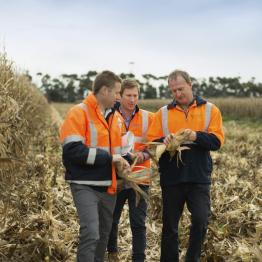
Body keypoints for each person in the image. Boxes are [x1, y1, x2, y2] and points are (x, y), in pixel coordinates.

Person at [147, 70, 225, 262]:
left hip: (199, 177)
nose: (177, 94)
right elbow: (151, 144)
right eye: (173, 91)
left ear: (190, 85)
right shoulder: (162, 114)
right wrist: (164, 141)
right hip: (172, 178)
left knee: (200, 221)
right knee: (170, 226)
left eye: (180, 89)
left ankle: (192, 258)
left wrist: (195, 136)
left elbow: (217, 141)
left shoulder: (210, 110)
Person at [59, 71, 130, 262]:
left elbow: (121, 152)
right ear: (105, 91)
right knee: (91, 233)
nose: (118, 97)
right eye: (116, 92)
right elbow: (72, 151)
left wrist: (129, 162)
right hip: (84, 185)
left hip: (109, 187)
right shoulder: (78, 112)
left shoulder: (117, 118)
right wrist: (110, 158)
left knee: (103, 237)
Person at [107, 79, 154, 262]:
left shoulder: (149, 117)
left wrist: (142, 156)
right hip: (116, 177)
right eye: (128, 95)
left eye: (135, 95)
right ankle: (112, 253)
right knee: (112, 220)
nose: (132, 99)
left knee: (138, 223)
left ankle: (139, 258)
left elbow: (156, 145)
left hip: (139, 178)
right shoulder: (109, 117)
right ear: (120, 96)